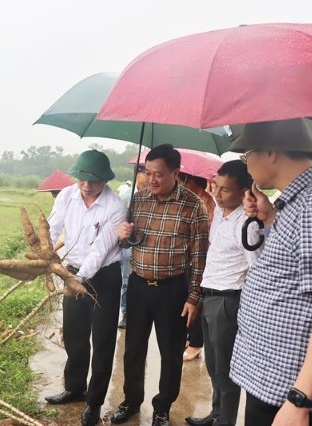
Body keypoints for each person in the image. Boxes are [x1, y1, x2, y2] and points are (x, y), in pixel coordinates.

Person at [228, 119, 312, 426]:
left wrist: (299, 400)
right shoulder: (300, 202)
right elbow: (299, 260)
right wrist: (270, 216)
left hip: (287, 391)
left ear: (272, 152)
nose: (245, 162)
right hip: (273, 379)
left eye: (246, 153)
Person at [111, 144, 209, 426]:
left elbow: (200, 258)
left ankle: (162, 407)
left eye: (159, 174)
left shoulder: (193, 206)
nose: (151, 179)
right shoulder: (138, 200)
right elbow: (128, 243)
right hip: (139, 285)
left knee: (170, 352)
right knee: (133, 349)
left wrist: (193, 298)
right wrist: (124, 235)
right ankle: (131, 401)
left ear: (176, 173)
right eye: (148, 172)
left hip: (173, 289)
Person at [45, 149, 126, 426]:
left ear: (105, 180)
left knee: (102, 340)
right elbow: (53, 227)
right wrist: (46, 255)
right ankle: (75, 387)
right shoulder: (67, 195)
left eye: (93, 180)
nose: (86, 185)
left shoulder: (115, 207)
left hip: (103, 276)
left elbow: (101, 250)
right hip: (72, 270)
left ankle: (94, 401)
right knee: (74, 333)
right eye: (82, 178)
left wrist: (76, 280)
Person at [185, 160, 260, 426]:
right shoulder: (220, 211)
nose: (217, 193)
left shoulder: (248, 224)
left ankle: (225, 421)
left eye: (225, 189)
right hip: (209, 296)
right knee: (214, 365)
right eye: (216, 186)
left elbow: (256, 269)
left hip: (229, 301)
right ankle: (215, 415)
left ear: (243, 192)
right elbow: (209, 200)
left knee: (226, 369)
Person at [179, 172, 216, 361]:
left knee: (196, 303)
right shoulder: (190, 200)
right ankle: (189, 338)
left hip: (202, 261)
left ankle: (195, 343)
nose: (179, 183)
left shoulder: (205, 202)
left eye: (180, 179)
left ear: (190, 181)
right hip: (188, 260)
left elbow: (205, 236)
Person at [117, 168, 148, 329]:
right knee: (126, 280)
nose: (145, 188)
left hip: (144, 244)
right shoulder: (125, 196)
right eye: (141, 185)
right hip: (128, 245)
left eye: (146, 185)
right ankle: (126, 312)